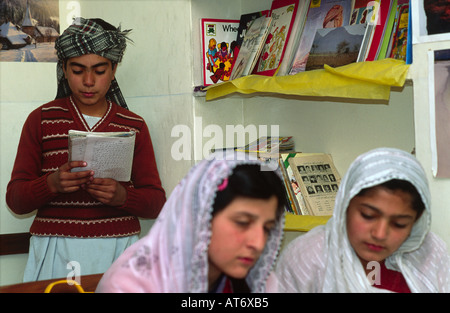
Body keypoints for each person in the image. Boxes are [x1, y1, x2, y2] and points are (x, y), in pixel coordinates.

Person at [5, 17, 166, 282]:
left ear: (113, 69)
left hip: (118, 250)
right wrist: (52, 184)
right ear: (64, 70)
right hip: (54, 250)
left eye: (99, 71)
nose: (89, 81)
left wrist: (123, 196)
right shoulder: (41, 120)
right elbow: (15, 200)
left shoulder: (133, 125)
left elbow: (156, 202)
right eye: (78, 70)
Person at [96, 152, 286, 292]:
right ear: (200, 217)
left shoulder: (260, 280)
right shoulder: (131, 284)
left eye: (267, 228)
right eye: (243, 223)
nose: (258, 243)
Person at [276, 147, 450, 292]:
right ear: (345, 204)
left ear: (416, 221)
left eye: (399, 224)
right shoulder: (309, 257)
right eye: (367, 215)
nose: (380, 234)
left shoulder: (431, 255)